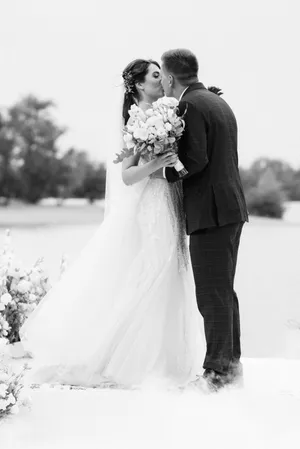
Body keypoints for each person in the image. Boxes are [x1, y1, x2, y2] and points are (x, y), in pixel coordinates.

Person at [21, 59, 204, 389]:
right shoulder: (134, 120)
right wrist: (158, 163)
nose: (161, 79)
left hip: (171, 203)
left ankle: (160, 358)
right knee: (152, 271)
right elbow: (127, 175)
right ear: (137, 85)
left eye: (161, 74)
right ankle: (110, 356)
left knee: (169, 275)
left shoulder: (171, 112)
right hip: (150, 205)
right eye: (154, 75)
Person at [157, 48, 249, 390]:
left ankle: (217, 374)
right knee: (222, 290)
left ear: (169, 77)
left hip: (211, 210)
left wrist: (167, 171)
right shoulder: (216, 101)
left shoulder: (192, 105)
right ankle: (231, 368)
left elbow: (195, 160)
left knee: (211, 294)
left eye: (162, 77)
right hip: (229, 207)